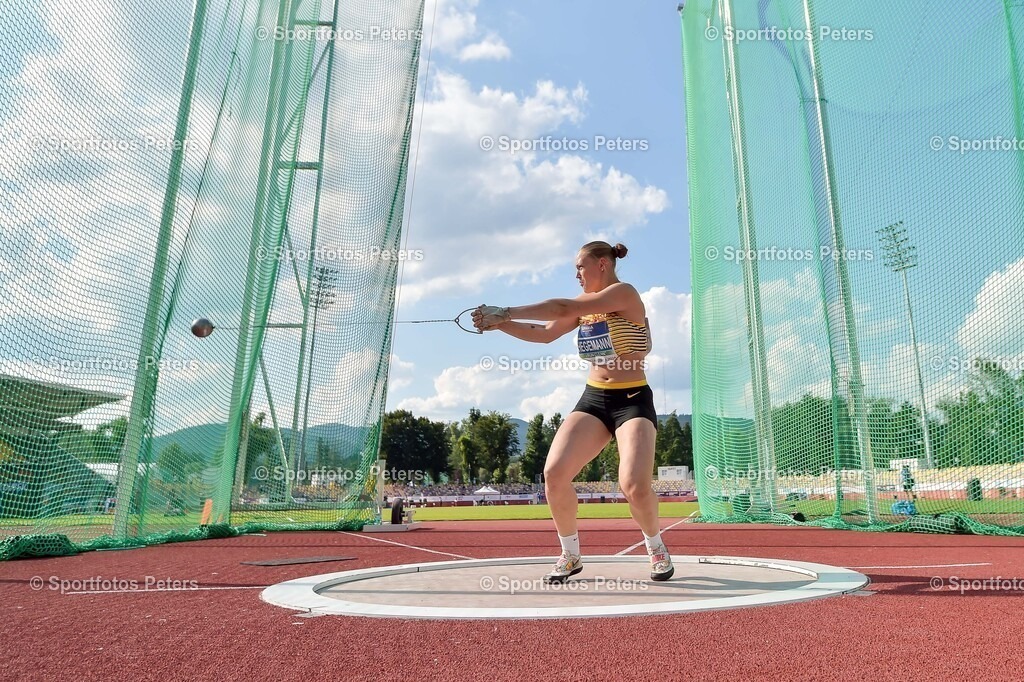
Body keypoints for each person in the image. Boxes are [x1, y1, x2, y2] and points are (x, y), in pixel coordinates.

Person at [472, 241, 673, 583]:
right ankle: (570, 554)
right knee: (554, 474)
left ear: (602, 265)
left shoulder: (623, 293)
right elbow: (545, 334)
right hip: (595, 398)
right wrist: (498, 325)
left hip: (633, 399)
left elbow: (561, 305)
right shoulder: (585, 309)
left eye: (580, 266)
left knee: (635, 486)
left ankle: (655, 547)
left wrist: (505, 310)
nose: (576, 274)